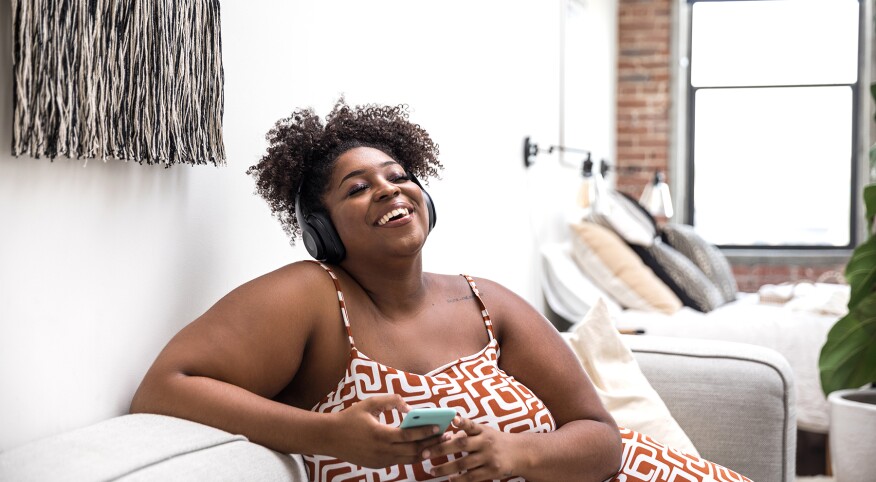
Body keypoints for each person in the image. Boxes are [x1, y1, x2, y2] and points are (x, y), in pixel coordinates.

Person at [130, 99, 750, 482]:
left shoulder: (488, 301)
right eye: (357, 188)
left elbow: (602, 440)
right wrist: (327, 435)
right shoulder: (312, 297)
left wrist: (517, 454)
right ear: (321, 229)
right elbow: (164, 387)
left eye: (399, 177)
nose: (390, 190)